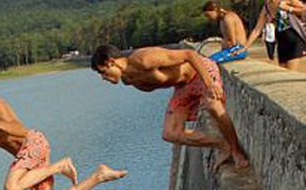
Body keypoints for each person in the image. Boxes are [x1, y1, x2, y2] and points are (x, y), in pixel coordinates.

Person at [90, 44, 249, 170]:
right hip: (183, 87)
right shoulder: (129, 80)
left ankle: (236, 151)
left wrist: (210, 85)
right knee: (170, 133)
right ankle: (222, 144)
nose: (103, 78)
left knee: (214, 105)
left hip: (200, 73)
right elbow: (160, 83)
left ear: (111, 62)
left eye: (103, 72)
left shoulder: (144, 59)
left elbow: (190, 55)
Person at [243, 0, 306, 71]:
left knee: (290, 73)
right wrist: (245, 47)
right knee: (283, 74)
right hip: (281, 41)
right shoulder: (266, 7)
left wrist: (288, 8)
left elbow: (304, 10)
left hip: (294, 38)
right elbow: (257, 29)